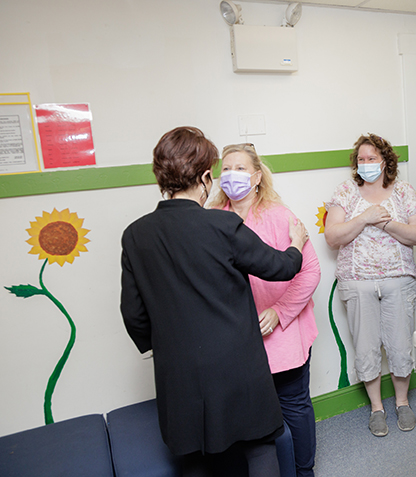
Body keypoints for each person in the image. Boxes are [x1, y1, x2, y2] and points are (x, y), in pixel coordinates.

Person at [121, 127, 309, 477]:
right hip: (237, 367)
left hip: (177, 373)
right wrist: (296, 244)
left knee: (195, 458)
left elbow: (133, 314)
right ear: (207, 177)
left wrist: (162, 345)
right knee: (258, 448)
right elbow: (280, 268)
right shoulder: (222, 224)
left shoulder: (135, 234)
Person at [207, 143, 320, 477]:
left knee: (294, 405)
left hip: (284, 333)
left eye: (240, 168)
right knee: (248, 414)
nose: (231, 175)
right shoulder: (213, 221)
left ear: (257, 176)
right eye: (226, 169)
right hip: (237, 337)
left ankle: (304, 470)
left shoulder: (281, 216)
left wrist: (280, 312)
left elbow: (310, 271)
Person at [324, 133, 416, 438]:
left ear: (386, 161)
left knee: (399, 345)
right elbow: (333, 236)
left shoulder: (404, 192)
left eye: (373, 158)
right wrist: (365, 218)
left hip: (398, 280)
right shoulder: (345, 193)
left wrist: (386, 223)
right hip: (357, 282)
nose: (366, 163)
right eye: (362, 159)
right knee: (366, 347)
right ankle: (377, 408)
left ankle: (403, 402)